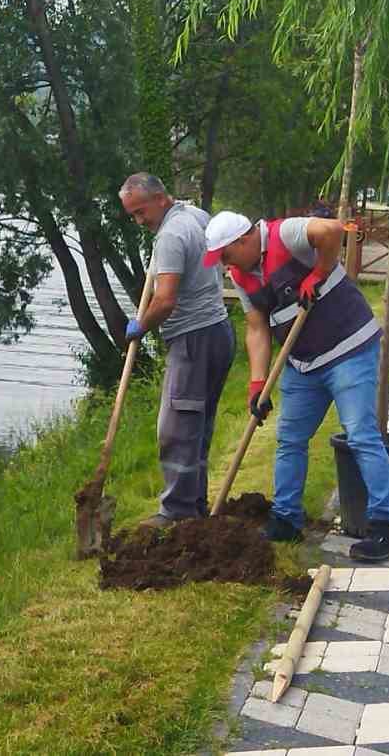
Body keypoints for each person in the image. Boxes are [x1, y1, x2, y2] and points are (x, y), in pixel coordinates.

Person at [202, 210, 389, 562]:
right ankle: (286, 519)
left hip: (348, 348)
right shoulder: (241, 275)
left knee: (360, 434)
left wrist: (319, 273)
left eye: (226, 255)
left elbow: (331, 230)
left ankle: (386, 526)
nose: (223, 264)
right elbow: (256, 328)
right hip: (303, 362)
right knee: (290, 438)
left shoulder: (286, 234)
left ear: (243, 240)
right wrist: (257, 383)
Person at [118, 173, 234, 528]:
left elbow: (165, 300)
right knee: (197, 424)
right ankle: (194, 505)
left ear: (159, 198)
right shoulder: (197, 216)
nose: (139, 222)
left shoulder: (170, 234)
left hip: (193, 339)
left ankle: (176, 512)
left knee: (176, 429)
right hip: (218, 332)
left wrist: (142, 325)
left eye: (140, 212)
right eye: (133, 216)